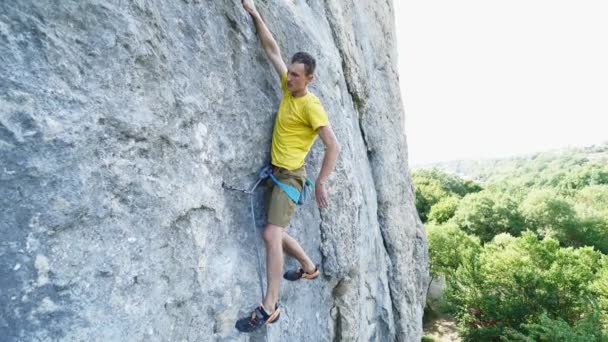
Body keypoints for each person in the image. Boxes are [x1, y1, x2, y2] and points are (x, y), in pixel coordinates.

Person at [235, 0, 341, 333]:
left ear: (310, 78)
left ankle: (269, 307)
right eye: (290, 73)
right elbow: (272, 50)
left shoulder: (311, 106)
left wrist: (321, 182)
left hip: (291, 178)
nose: (290, 78)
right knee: (276, 233)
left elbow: (333, 146)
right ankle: (309, 266)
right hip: (277, 173)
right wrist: (254, 13)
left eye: (296, 75)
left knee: (270, 234)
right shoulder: (288, 87)